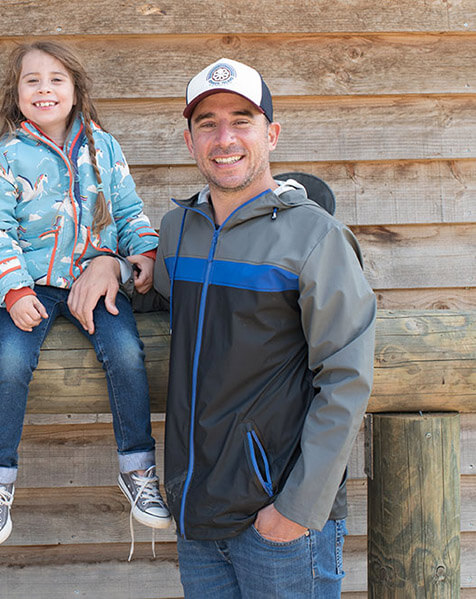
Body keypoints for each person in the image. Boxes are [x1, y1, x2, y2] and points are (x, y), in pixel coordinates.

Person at [152, 58, 376, 596]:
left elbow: (345, 377)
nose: (224, 137)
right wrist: (108, 264)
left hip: (279, 520)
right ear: (190, 141)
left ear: (271, 134)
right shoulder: (177, 230)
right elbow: (160, 302)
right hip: (197, 508)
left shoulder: (315, 237)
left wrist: (295, 510)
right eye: (207, 123)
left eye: (242, 120)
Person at [0, 40, 171, 550]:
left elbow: (128, 211)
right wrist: (12, 291)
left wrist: (143, 254)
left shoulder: (104, 148)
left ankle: (138, 470)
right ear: (15, 94)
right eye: (32, 80)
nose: (45, 89)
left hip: (96, 278)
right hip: (28, 285)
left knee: (126, 353)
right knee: (11, 364)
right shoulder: (0, 157)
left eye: (56, 79)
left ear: (76, 88)